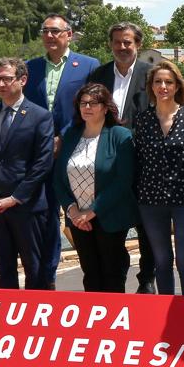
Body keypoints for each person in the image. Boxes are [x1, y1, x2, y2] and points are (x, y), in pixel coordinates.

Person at [24, 14, 100, 288]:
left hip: (76, 152)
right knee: (43, 218)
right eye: (45, 31)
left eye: (55, 31)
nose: (50, 36)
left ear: (69, 34)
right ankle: (46, 280)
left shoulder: (89, 65)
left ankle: (96, 279)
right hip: (37, 156)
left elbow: (93, 106)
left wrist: (63, 137)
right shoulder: (29, 69)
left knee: (80, 215)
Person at [0, 58, 55, 289]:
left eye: (7, 78)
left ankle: (37, 322)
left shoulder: (40, 117)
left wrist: (15, 198)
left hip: (28, 207)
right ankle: (7, 323)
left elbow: (42, 164)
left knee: (35, 270)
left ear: (22, 80)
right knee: (3, 268)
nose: (1, 84)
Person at [86, 21, 157, 293]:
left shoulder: (151, 75)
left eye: (128, 42)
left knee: (145, 226)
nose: (122, 47)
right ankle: (116, 280)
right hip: (108, 164)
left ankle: (146, 280)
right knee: (112, 223)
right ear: (110, 45)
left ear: (137, 44)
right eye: (117, 42)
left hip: (143, 163)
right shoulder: (98, 75)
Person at [53, 83, 138, 293]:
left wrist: (91, 212)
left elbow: (123, 180)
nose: (87, 107)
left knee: (112, 274)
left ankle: (114, 322)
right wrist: (73, 211)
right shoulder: (71, 135)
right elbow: (58, 177)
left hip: (109, 216)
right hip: (77, 219)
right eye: (83, 103)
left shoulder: (120, 135)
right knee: (90, 274)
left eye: (93, 102)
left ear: (106, 107)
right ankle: (94, 322)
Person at [133, 61, 184, 296]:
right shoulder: (143, 121)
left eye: (168, 82)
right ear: (151, 87)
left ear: (177, 87)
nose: (163, 86)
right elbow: (139, 159)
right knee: (162, 259)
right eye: (158, 82)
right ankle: (166, 314)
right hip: (151, 200)